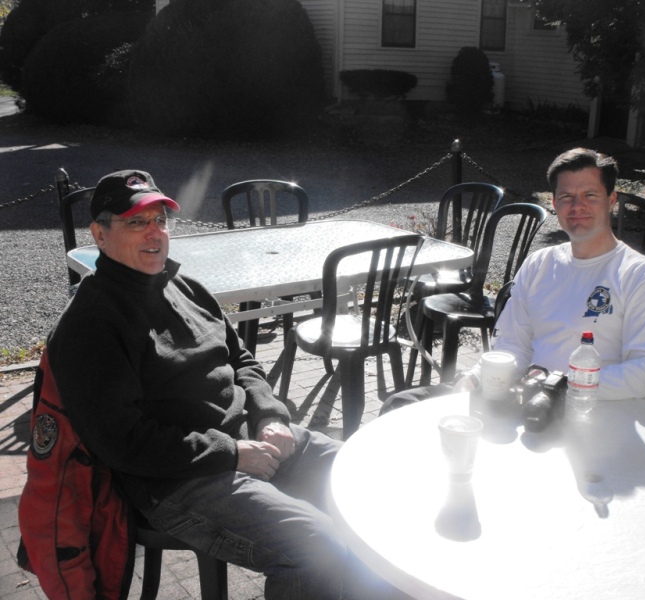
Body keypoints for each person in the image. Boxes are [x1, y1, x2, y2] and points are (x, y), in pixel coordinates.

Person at [44, 170, 402, 599]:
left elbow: (242, 359)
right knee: (315, 548)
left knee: (370, 480)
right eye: (136, 222)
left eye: (160, 220)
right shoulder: (92, 323)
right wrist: (231, 453)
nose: (154, 233)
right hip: (177, 478)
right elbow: (122, 442)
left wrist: (269, 415)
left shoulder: (184, 287)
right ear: (99, 234)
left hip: (251, 439)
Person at [383, 147, 645, 411]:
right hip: (523, 398)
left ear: (611, 201)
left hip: (587, 410)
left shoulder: (640, 275)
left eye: (590, 195)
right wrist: (474, 379)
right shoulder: (540, 264)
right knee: (400, 405)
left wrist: (560, 385)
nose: (577, 206)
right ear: (554, 203)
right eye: (566, 197)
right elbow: (513, 345)